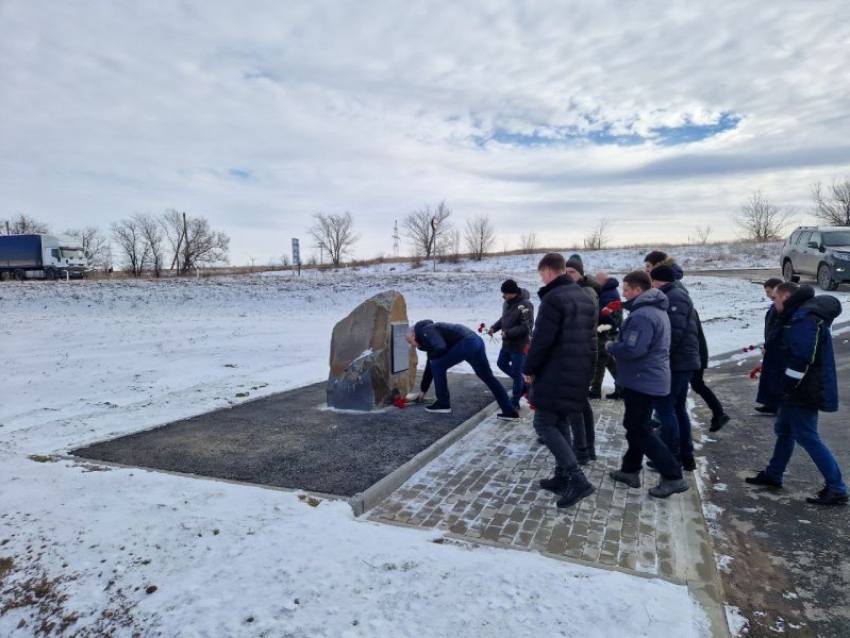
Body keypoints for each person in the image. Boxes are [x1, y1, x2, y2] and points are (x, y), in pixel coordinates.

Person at [745, 283, 848, 505]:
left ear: (787, 296)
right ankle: (774, 474)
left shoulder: (803, 318)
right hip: (795, 388)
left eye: (775, 299)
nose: (773, 303)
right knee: (784, 429)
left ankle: (837, 488)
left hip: (802, 390)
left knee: (807, 436)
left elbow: (802, 357)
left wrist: (789, 384)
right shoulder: (798, 314)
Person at [522, 253, 597, 508]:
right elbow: (590, 340)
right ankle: (562, 476)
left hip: (555, 373)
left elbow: (541, 341)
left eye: (542, 274)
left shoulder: (553, 299)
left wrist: (529, 368)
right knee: (561, 421)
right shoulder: (583, 297)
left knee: (544, 424)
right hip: (577, 371)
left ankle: (578, 481)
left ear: (549, 272)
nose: (541, 278)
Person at [606, 271, 689, 498]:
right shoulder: (654, 310)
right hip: (648, 378)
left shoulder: (642, 315)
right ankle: (630, 470)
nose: (623, 294)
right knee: (637, 426)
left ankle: (673, 475)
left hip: (643, 380)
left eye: (626, 289)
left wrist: (612, 347)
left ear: (638, 290)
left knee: (638, 429)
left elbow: (634, 349)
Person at [407, 321, 520, 420]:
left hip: (467, 342)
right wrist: (423, 391)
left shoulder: (425, 329)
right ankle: (509, 411)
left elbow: (440, 348)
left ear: (414, 335)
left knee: (437, 365)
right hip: (476, 341)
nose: (411, 345)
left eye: (409, 341)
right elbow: (430, 363)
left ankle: (443, 404)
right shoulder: (428, 336)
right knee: (488, 377)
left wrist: (434, 360)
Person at [650, 265, 701, 471]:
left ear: (657, 281)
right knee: (677, 409)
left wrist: (660, 359)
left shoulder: (675, 297)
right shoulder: (674, 294)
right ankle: (685, 455)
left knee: (665, 409)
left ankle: (672, 457)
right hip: (681, 362)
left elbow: (673, 334)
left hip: (677, 363)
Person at [564, 253, 599, 463]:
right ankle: (587, 448)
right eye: (566, 272)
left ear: (581, 273)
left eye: (572, 272)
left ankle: (583, 450)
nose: (569, 275)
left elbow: (583, 323)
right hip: (579, 352)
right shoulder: (576, 291)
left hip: (584, 353)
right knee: (581, 402)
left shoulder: (587, 292)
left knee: (577, 403)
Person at [488, 279, 535, 410]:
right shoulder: (507, 304)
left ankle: (515, 401)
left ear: (513, 293)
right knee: (501, 364)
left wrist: (508, 333)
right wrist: (494, 328)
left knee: (516, 372)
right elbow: (503, 319)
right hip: (506, 344)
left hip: (519, 346)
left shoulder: (526, 305)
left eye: (505, 293)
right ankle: (521, 381)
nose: (503, 296)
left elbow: (527, 326)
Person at [691, 316, 731, 432]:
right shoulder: (688, 307)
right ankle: (719, 413)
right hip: (697, 354)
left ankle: (719, 413)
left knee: (697, 384)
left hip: (695, 355)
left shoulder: (684, 308)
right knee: (698, 384)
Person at [591, 271, 623, 400]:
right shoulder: (610, 291)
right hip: (611, 332)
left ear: (602, 281)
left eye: (597, 281)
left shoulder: (607, 294)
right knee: (609, 362)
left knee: (601, 361)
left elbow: (602, 314)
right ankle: (622, 388)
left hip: (606, 333)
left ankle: (595, 390)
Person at [755, 278, 785, 415]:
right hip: (772, 345)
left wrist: (768, 345)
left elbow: (776, 328)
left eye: (769, 291)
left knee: (775, 376)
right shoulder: (774, 305)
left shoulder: (781, 307)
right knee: (769, 376)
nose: (768, 295)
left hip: (777, 347)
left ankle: (776, 405)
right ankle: (770, 403)